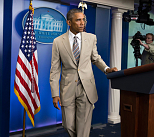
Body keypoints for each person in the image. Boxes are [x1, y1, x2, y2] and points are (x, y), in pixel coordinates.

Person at [49, 9, 118, 137]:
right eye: (78, 20)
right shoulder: (58, 42)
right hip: (67, 88)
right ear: (69, 22)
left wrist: (107, 69)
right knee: (68, 125)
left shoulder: (91, 38)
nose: (82, 23)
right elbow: (55, 69)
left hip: (86, 88)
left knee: (83, 125)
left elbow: (95, 58)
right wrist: (55, 93)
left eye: (83, 20)